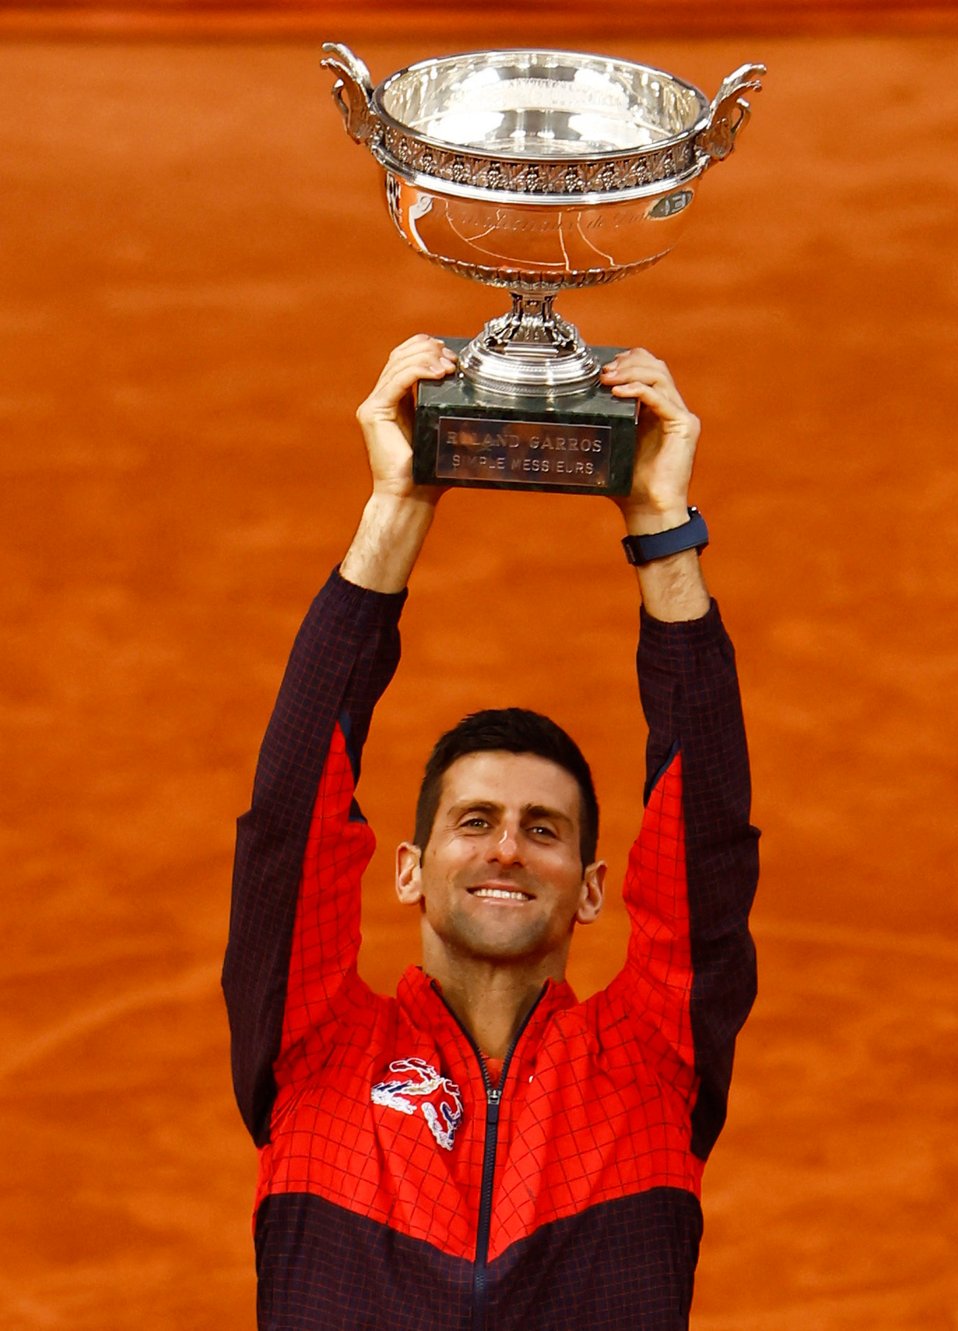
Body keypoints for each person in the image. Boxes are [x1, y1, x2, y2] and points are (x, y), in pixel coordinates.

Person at [222, 336, 760, 1330]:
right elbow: (286, 830)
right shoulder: (315, 1047)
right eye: (475, 820)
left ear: (593, 885)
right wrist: (395, 511)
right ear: (410, 869)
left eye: (542, 827)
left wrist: (659, 524)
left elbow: (708, 840)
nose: (507, 847)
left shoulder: (651, 1062)